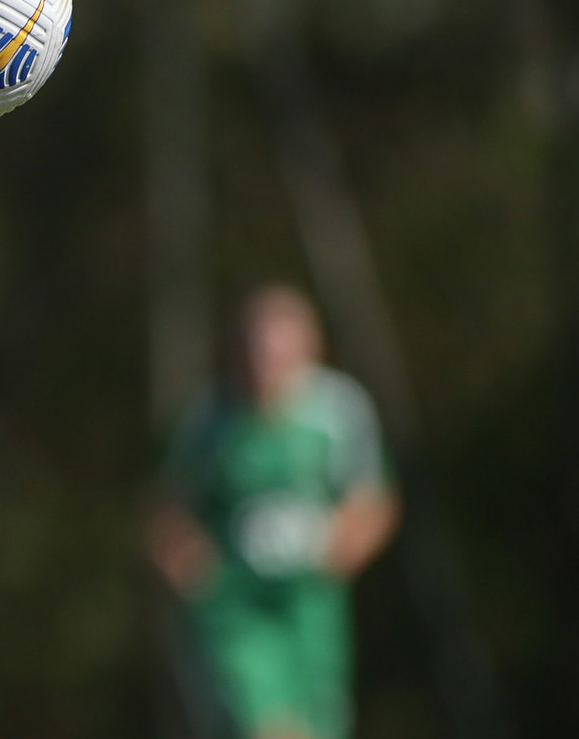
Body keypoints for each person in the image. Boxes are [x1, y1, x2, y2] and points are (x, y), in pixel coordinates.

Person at [147, 285, 401, 739]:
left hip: (312, 602)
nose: (265, 370)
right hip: (236, 605)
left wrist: (341, 549)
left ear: (310, 352)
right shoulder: (210, 420)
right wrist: (186, 564)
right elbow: (169, 507)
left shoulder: (338, 412)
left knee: (320, 727)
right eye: (254, 356)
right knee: (267, 729)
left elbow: (374, 500)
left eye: (278, 357)